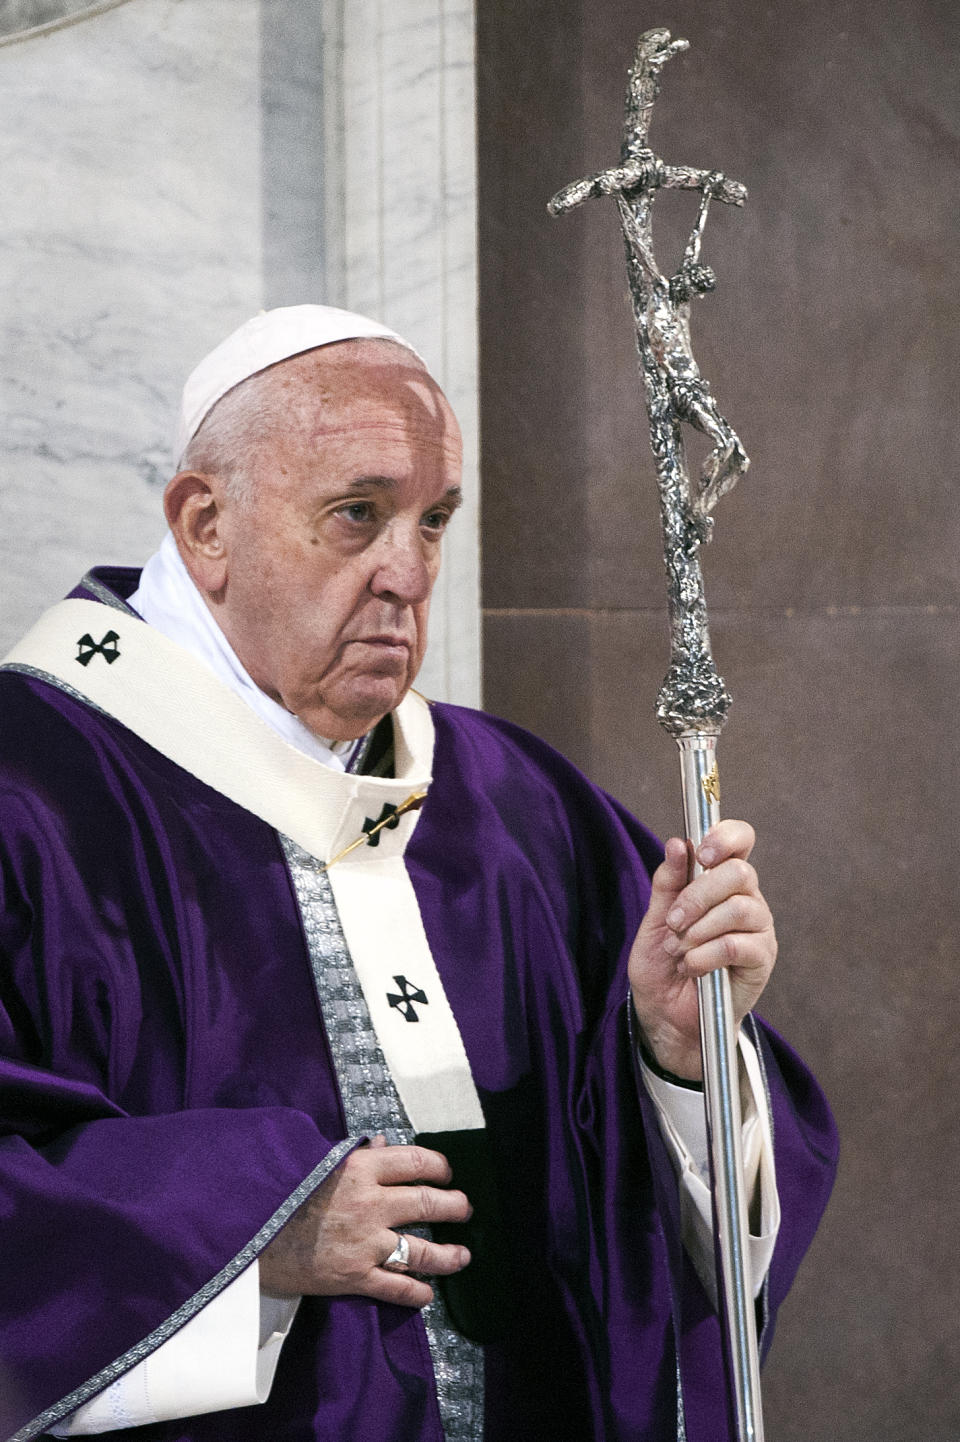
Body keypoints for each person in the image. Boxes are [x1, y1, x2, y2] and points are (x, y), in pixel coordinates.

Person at [0, 306, 836, 1442]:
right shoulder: (32, 787)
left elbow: (638, 1243)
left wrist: (675, 1057)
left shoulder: (513, 799)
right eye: (359, 514)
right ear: (206, 525)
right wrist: (252, 1231)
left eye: (433, 520)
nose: (407, 572)